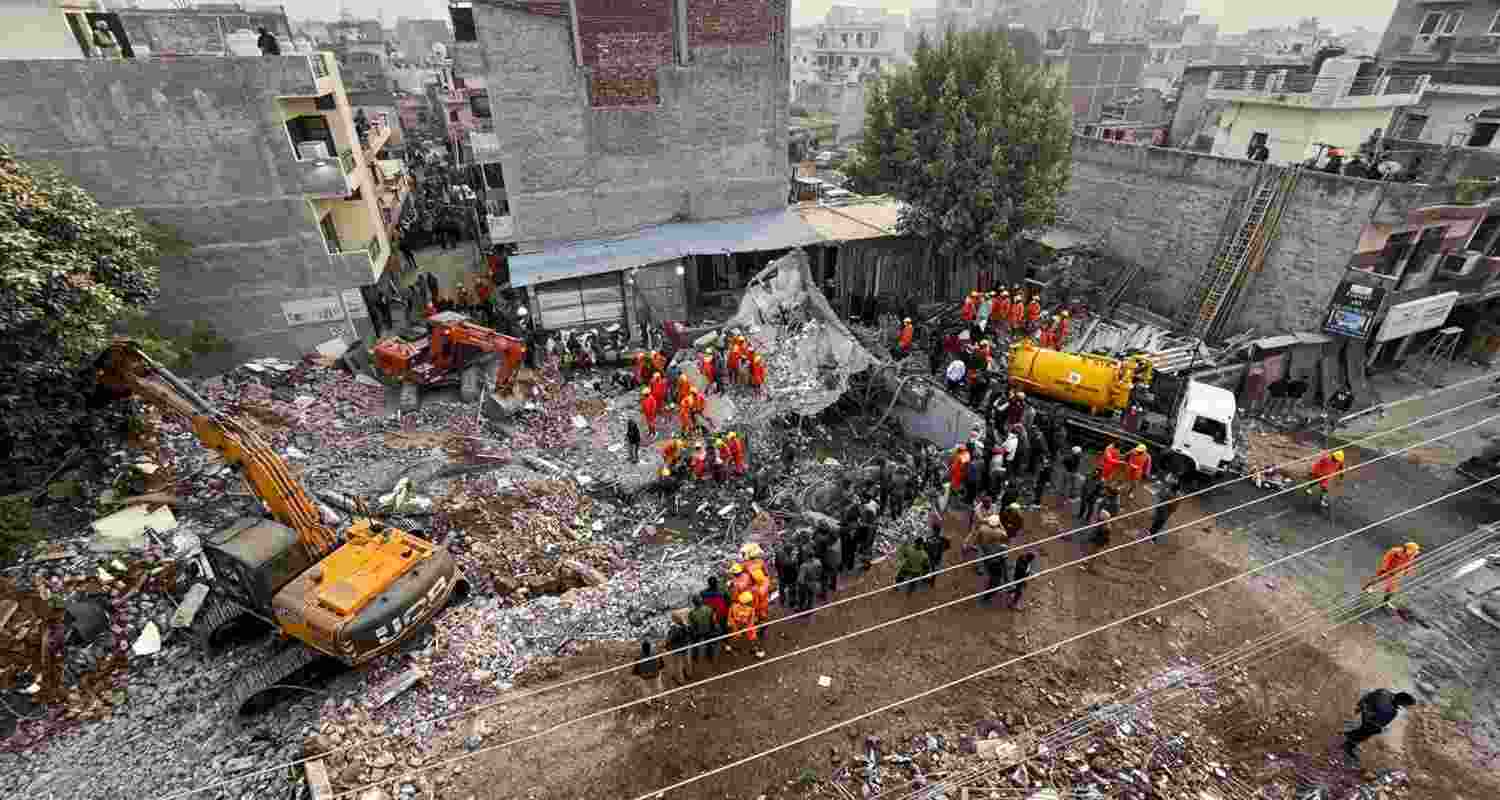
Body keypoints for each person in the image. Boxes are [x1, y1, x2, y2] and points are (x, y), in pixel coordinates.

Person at [1343, 689, 1416, 761]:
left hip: (1364, 708)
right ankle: (1348, 744)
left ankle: (1348, 737)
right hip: (1369, 717)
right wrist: (1379, 729)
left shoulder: (1383, 691)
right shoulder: (1392, 712)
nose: (1406, 706)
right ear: (1402, 702)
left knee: (1369, 729)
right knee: (1370, 731)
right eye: (1406, 704)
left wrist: (1360, 706)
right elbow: (1379, 723)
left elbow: (1367, 696)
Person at [966, 513, 1009, 606]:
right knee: (995, 578)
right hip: (995, 556)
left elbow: (976, 540)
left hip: (985, 550)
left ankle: (981, 569)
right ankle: (988, 594)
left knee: (981, 559)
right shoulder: (1000, 533)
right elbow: (1006, 536)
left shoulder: (983, 529)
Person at [1368, 542, 1420, 608]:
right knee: (1378, 578)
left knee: (1391, 588)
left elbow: (1409, 564)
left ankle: (1386, 601)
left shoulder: (1410, 556)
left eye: (1414, 552)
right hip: (1387, 569)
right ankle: (1368, 587)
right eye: (1413, 551)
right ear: (1407, 549)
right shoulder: (1395, 551)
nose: (1414, 553)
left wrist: (1407, 571)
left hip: (1396, 572)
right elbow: (1386, 559)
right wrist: (1384, 568)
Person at [726, 591, 761, 657]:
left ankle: (756, 649)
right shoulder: (750, 609)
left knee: (752, 637)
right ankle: (730, 647)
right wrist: (735, 627)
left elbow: (751, 620)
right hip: (737, 625)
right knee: (737, 637)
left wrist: (749, 628)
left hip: (744, 625)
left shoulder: (734, 606)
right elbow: (730, 618)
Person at [687, 595, 719, 663]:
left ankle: (695, 657)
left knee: (695, 644)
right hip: (709, 630)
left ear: (694, 603)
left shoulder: (692, 613)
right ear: (702, 602)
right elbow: (713, 621)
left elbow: (691, 625)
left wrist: (693, 632)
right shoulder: (709, 609)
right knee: (710, 643)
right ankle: (710, 656)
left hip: (698, 632)